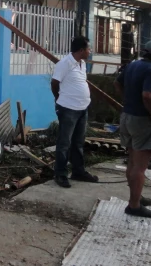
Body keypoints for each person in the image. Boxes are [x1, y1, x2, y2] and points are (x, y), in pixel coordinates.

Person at [114, 38, 151, 218]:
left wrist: (128, 101)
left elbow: (117, 83)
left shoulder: (133, 65)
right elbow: (148, 95)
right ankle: (134, 205)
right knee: (140, 166)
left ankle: (136, 196)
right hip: (144, 121)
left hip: (128, 117)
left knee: (132, 161)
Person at [51, 36, 99, 188]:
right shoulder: (64, 64)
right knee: (64, 142)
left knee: (78, 142)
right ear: (81, 50)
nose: (89, 51)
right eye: (88, 49)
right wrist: (59, 99)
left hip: (82, 108)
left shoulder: (82, 64)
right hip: (68, 109)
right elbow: (54, 83)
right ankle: (60, 174)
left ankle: (78, 171)